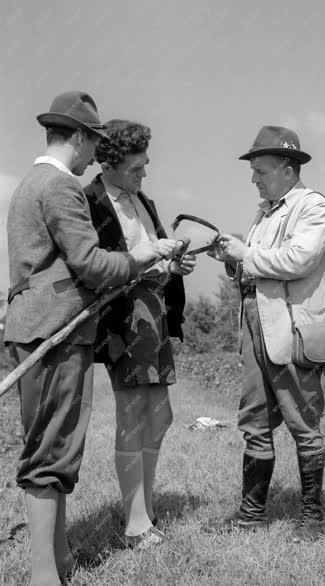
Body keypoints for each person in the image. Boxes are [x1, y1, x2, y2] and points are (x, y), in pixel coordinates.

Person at [4, 92, 177, 586]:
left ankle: (58, 558)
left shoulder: (29, 182)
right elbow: (92, 264)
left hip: (35, 325)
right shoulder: (60, 186)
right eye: (92, 142)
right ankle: (43, 582)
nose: (91, 157)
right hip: (54, 332)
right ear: (78, 137)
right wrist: (143, 256)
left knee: (52, 444)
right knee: (51, 451)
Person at [206, 126, 325, 542]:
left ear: (286, 167)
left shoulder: (312, 206)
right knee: (255, 419)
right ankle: (251, 515)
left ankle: (312, 517)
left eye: (260, 170)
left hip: (293, 332)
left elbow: (298, 259)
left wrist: (246, 254)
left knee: (303, 419)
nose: (254, 179)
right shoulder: (265, 212)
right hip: (255, 328)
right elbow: (258, 269)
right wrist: (233, 259)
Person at [83, 120, 196, 550]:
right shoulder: (91, 202)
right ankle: (135, 524)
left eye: (146, 165)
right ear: (109, 163)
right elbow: (94, 266)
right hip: (121, 319)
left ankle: (145, 508)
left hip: (154, 314)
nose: (144, 173)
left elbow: (154, 260)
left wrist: (174, 267)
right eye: (136, 167)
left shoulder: (142, 200)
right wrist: (145, 257)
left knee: (159, 415)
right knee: (133, 415)